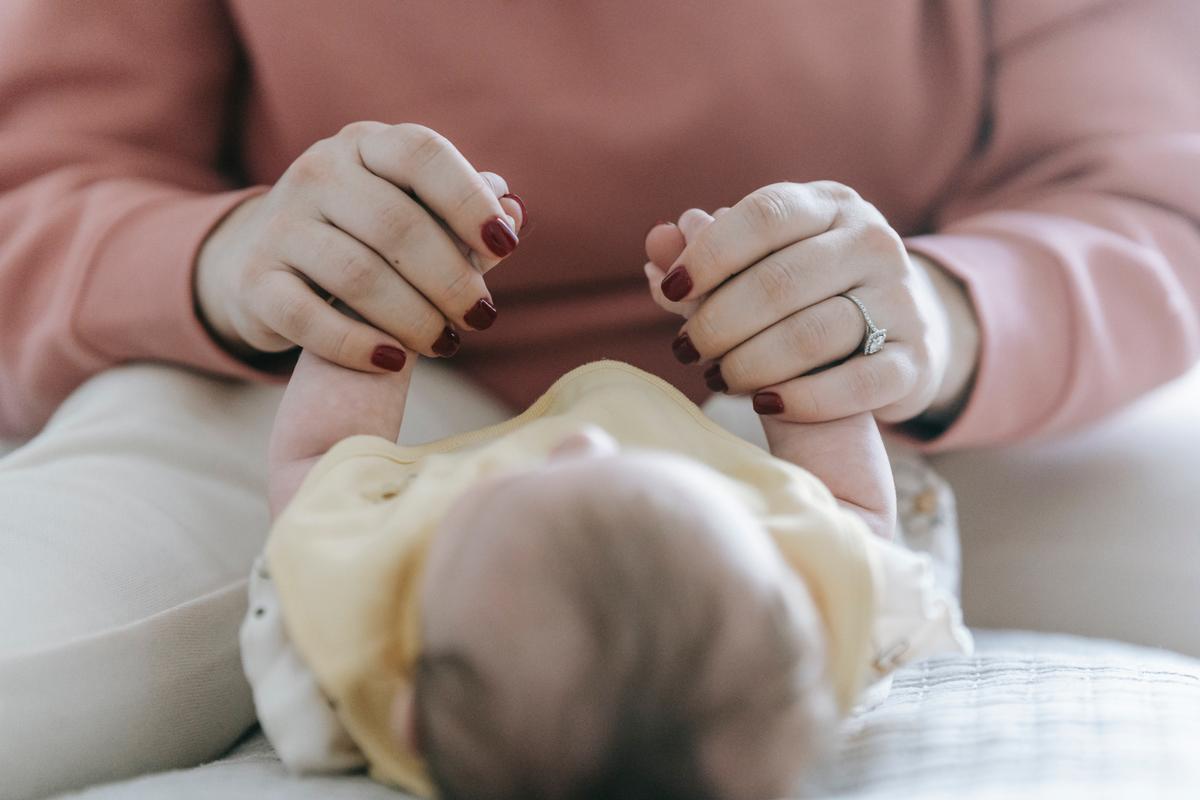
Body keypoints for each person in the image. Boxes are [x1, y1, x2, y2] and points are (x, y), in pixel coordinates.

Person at [0, 2, 1196, 797]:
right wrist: (238, 261)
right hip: (292, 376)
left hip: (916, 403)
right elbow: (35, 195)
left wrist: (928, 320)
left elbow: (1156, 197)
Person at [240, 349, 971, 800]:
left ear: (410, 718)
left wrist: (373, 330)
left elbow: (321, 463)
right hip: (733, 463)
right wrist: (801, 377)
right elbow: (850, 517)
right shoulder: (790, 658)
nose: (583, 440)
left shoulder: (356, 652)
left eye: (501, 490)